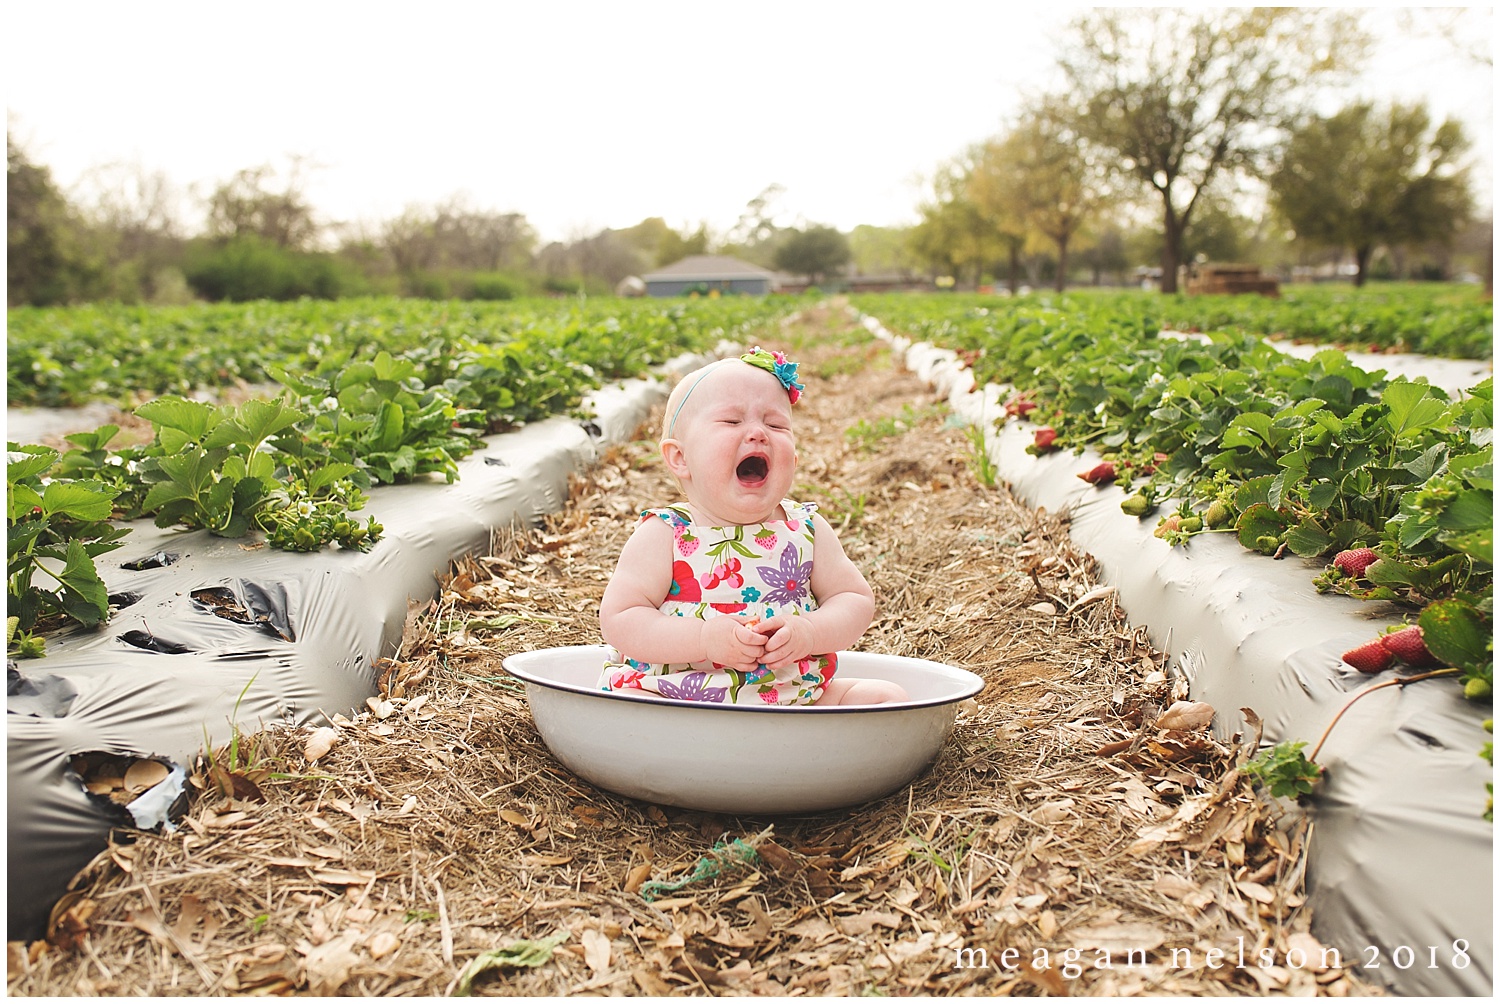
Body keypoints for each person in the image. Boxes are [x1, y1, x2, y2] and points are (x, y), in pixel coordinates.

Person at [598, 347, 908, 706]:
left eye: (776, 425)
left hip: (793, 699)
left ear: (793, 458)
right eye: (732, 422)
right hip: (675, 700)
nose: (758, 433)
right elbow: (621, 618)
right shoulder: (666, 533)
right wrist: (702, 638)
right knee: (628, 708)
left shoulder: (805, 529)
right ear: (680, 458)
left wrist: (809, 632)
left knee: (888, 698)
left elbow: (853, 599)